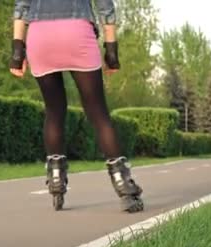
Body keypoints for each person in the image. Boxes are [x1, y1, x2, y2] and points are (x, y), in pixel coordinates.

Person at [9, 0, 143, 213]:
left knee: (54, 111)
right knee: (98, 113)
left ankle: (55, 179)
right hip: (77, 33)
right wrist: (111, 50)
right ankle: (123, 184)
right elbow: (105, 7)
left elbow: (21, 6)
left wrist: (17, 50)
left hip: (40, 36)